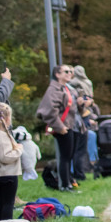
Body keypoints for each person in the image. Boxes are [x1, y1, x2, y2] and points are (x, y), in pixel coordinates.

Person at [35, 64, 79, 192]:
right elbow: (48, 110)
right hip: (63, 127)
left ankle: (69, 182)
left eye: (70, 71)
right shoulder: (54, 89)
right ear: (57, 74)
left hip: (70, 125)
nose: (69, 73)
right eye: (65, 71)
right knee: (65, 157)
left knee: (69, 156)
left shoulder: (65, 88)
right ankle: (65, 185)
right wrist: (60, 126)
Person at [0, 102, 22, 221]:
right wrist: (19, 150)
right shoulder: (1, 136)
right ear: (6, 119)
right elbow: (5, 157)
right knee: (8, 204)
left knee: (1, 204)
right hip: (7, 175)